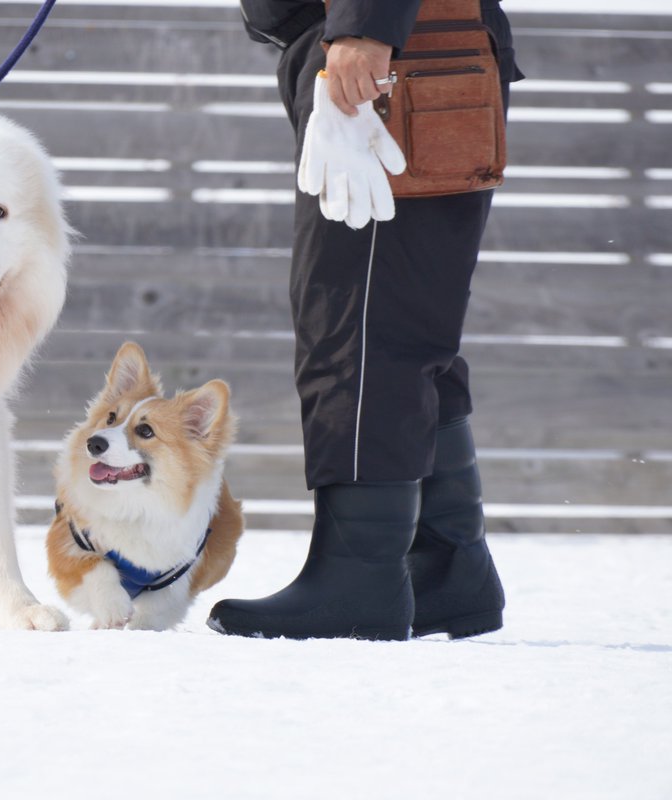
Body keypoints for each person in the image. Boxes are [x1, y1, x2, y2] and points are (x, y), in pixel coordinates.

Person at [209, 0, 523, 640]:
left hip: (384, 53)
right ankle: (444, 565)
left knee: (357, 322)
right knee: (402, 320)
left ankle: (360, 575)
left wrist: (364, 28)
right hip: (391, 47)